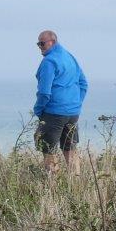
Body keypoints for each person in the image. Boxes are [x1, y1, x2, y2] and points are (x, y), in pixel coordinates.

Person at [32, 29, 88, 174]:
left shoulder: (49, 61)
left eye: (42, 43)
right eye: (38, 44)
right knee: (70, 149)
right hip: (72, 113)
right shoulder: (70, 57)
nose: (40, 47)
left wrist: (38, 110)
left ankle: (52, 188)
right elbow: (83, 84)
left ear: (53, 42)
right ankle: (75, 184)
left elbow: (44, 92)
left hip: (53, 112)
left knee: (48, 149)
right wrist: (76, 103)